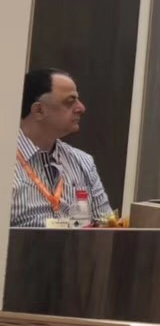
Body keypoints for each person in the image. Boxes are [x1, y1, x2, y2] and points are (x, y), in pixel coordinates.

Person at [12, 68, 113, 228]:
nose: (81, 108)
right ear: (39, 110)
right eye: (70, 101)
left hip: (76, 244)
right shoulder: (7, 160)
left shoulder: (83, 162)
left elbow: (106, 226)